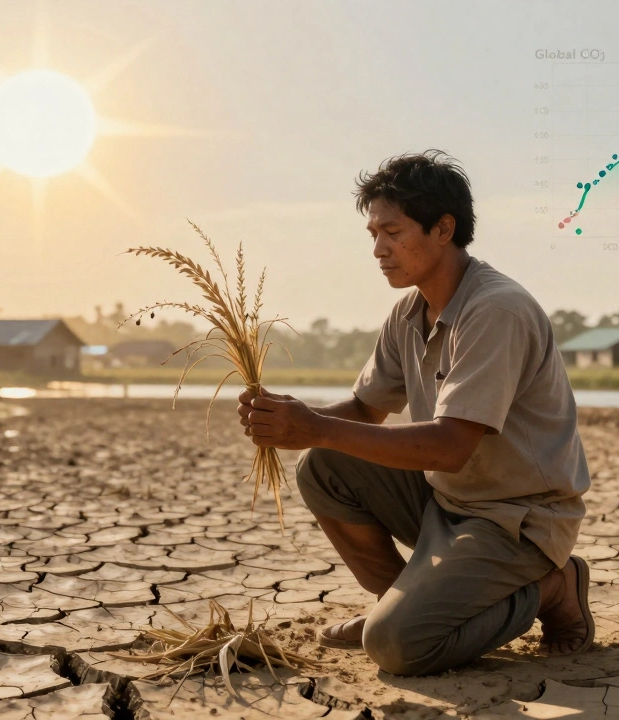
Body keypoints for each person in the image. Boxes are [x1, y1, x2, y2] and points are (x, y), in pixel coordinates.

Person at [237, 151, 594, 677]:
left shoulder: (495, 310)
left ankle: (553, 588)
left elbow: (450, 446)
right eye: (372, 234)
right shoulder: (409, 312)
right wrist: (289, 420)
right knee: (324, 465)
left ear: (443, 228)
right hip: (446, 503)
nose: (379, 250)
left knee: (398, 649)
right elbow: (365, 409)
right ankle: (396, 600)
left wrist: (315, 427)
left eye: (392, 232)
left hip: (515, 520)